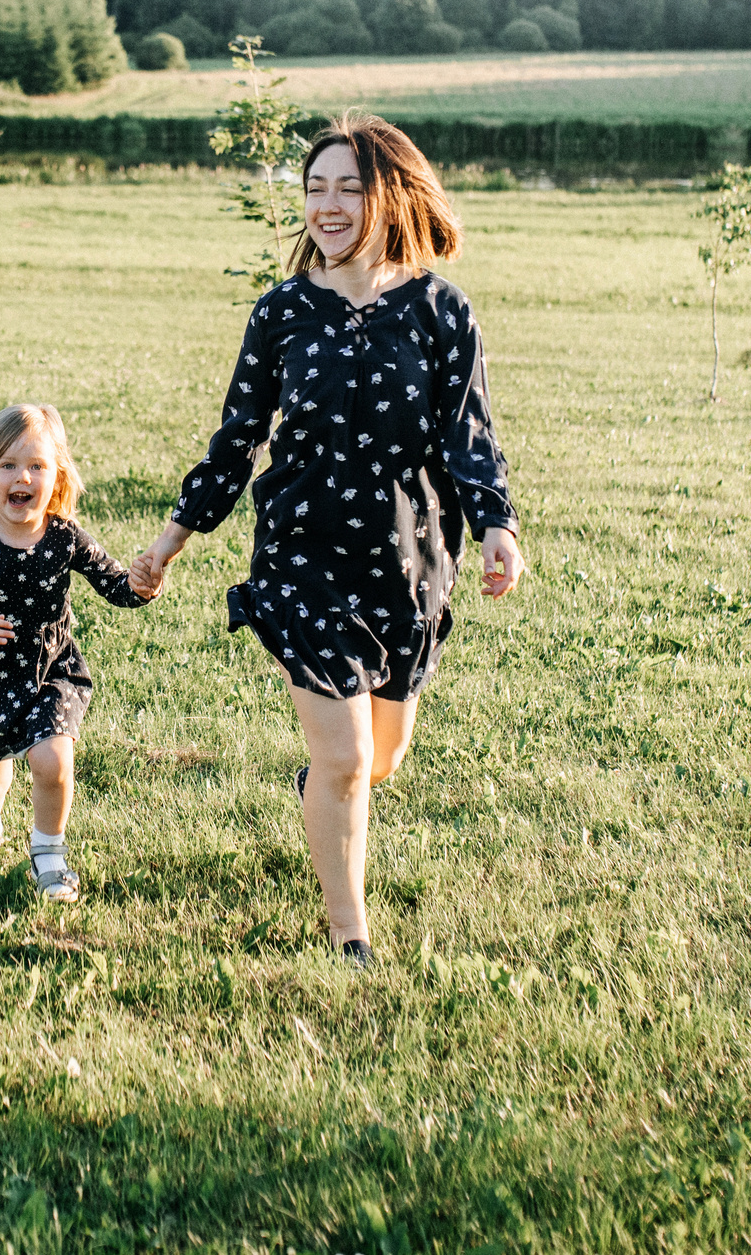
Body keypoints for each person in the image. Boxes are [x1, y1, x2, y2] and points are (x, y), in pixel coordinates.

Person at [131, 116, 523, 964]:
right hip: (302, 556)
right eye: (315, 188)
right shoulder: (280, 311)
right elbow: (235, 442)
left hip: (408, 563)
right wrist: (170, 542)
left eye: (349, 186)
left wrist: (495, 525)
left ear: (390, 193)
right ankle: (351, 933)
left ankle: (326, 790)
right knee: (344, 755)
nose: (329, 204)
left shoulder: (441, 311)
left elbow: (468, 436)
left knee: (379, 759)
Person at [0, 403, 154, 902]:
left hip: (51, 669)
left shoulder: (65, 537)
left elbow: (115, 586)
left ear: (57, 476)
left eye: (36, 466)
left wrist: (141, 585)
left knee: (52, 759)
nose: (21, 476)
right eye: (7, 465)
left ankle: (49, 854)